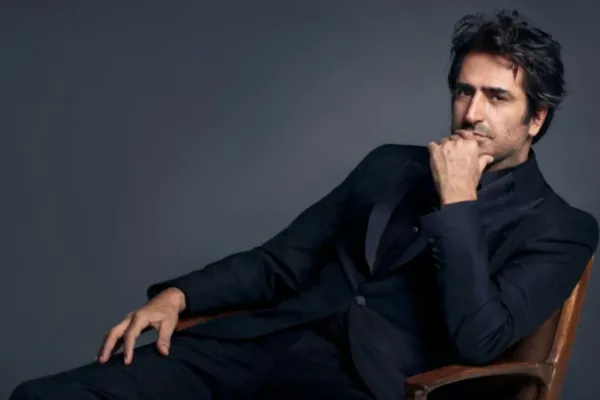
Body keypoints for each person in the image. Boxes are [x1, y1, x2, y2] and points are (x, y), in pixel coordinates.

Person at [11, 9, 598, 400]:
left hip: (371, 385)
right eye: (464, 91)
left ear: (536, 118)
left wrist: (458, 201)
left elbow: (478, 338)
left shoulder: (562, 229)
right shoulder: (391, 165)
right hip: (263, 344)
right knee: (45, 396)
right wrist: (178, 296)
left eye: (497, 97)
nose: (471, 113)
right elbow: (281, 262)